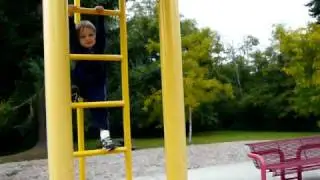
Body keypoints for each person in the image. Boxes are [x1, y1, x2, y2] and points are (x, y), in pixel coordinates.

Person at [68, 4, 115, 150]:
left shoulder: (98, 47)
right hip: (82, 83)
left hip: (96, 85)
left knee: (100, 110)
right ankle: (75, 93)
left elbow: (101, 34)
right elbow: (71, 35)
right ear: (78, 39)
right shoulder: (77, 49)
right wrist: (70, 17)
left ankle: (105, 138)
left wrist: (100, 16)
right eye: (83, 36)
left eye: (90, 35)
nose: (87, 39)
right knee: (74, 73)